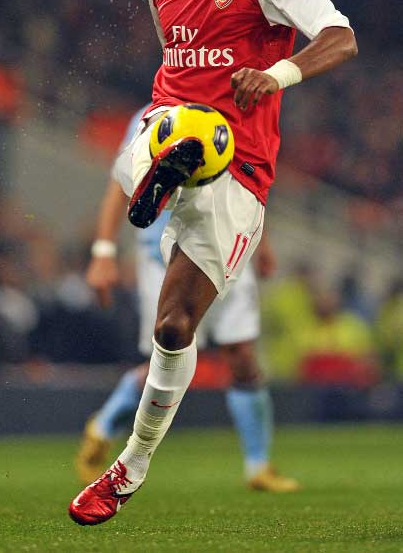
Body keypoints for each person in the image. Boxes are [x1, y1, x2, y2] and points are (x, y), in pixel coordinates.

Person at [69, 0, 357, 526]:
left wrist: (277, 75)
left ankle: (129, 466)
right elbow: (176, 65)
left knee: (173, 329)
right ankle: (169, 163)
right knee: (178, 127)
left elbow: (341, 37)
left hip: (242, 170)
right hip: (170, 121)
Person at [75, 108, 299, 494]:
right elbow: (120, 185)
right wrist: (104, 251)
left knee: (243, 355)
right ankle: (105, 423)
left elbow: (247, 180)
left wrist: (263, 242)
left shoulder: (231, 109)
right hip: (163, 255)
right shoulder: (152, 115)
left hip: (228, 244)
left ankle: (258, 465)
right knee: (167, 356)